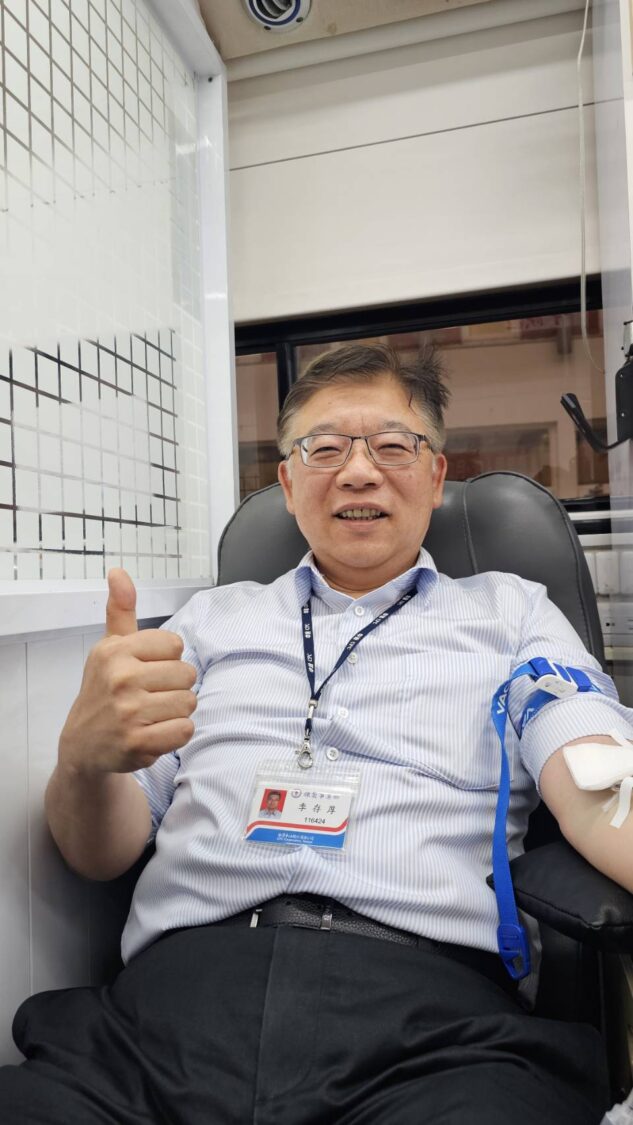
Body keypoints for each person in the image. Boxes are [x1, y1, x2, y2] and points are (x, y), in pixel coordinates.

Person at [1, 342, 631, 1125]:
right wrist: (83, 762)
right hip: (163, 1019)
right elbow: (99, 852)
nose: (358, 472)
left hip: (430, 1029)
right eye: (324, 448)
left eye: (393, 446)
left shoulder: (510, 612)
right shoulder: (208, 622)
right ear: (288, 481)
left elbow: (597, 781)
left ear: (436, 475)